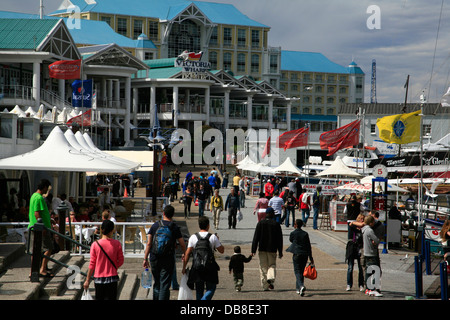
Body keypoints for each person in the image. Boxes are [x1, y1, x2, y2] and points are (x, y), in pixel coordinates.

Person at [143, 205, 186, 300]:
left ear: (163, 213)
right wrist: (184, 253)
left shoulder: (155, 225)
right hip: (168, 258)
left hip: (154, 258)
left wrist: (145, 258)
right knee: (165, 284)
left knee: (157, 283)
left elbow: (149, 243)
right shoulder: (174, 227)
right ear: (173, 215)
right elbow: (182, 244)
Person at [182, 216, 224, 300]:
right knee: (211, 288)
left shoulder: (193, 237)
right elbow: (221, 250)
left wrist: (184, 267)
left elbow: (187, 253)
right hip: (210, 266)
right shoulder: (212, 237)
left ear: (199, 225)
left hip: (197, 266)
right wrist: (218, 241)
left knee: (199, 290)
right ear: (208, 225)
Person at [83, 220, 124, 300]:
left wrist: (87, 280)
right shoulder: (117, 243)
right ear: (112, 230)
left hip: (99, 277)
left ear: (101, 230)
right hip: (112, 276)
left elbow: (92, 264)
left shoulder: (95, 244)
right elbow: (121, 260)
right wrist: (114, 267)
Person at [28, 179, 55, 278]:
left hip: (37, 227)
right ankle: (42, 269)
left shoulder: (34, 196)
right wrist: (43, 228)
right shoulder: (38, 198)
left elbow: (40, 213)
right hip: (39, 228)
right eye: (47, 188)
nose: (47, 190)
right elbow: (37, 213)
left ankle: (35, 270)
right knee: (48, 247)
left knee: (36, 249)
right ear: (44, 187)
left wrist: (49, 219)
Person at [251, 207, 283, 291]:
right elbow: (279, 239)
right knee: (272, 265)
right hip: (272, 249)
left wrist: (253, 250)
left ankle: (265, 285)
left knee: (263, 267)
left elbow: (256, 237)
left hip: (262, 248)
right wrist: (280, 251)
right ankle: (270, 277)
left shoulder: (260, 223)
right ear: (271, 214)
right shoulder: (276, 224)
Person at [286, 219, 314, 296]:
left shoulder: (293, 233)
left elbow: (291, 240)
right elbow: (308, 246)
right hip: (304, 254)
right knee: (301, 271)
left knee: (297, 271)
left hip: (296, 253)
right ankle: (298, 288)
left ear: (296, 225)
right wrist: (311, 257)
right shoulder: (305, 234)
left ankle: (301, 286)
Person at [361, 215, 383, 297]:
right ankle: (372, 289)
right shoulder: (370, 231)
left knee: (368, 271)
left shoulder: (364, 230)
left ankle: (368, 288)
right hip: (371, 253)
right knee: (375, 271)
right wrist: (376, 241)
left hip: (366, 252)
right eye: (373, 222)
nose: (374, 223)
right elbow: (377, 240)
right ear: (371, 223)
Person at [346, 213, 365, 292]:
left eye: (363, 219)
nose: (362, 220)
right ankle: (349, 284)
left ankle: (361, 285)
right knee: (350, 267)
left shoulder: (364, 228)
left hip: (360, 248)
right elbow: (350, 224)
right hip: (352, 248)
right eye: (360, 218)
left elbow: (363, 224)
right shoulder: (352, 226)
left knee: (361, 268)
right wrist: (355, 223)